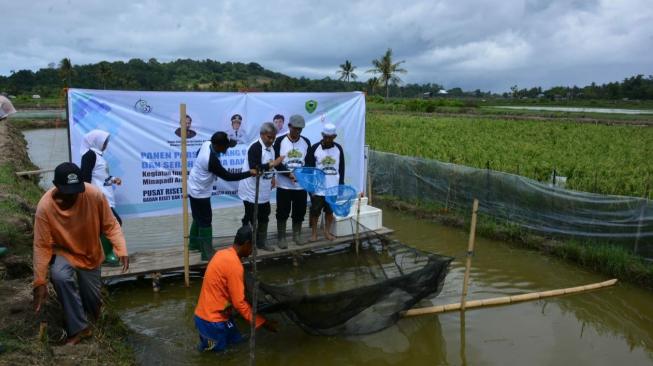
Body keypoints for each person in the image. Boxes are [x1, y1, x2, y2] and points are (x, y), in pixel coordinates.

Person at [32, 162, 129, 345]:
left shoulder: (93, 195)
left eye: (76, 191)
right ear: (57, 187)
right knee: (60, 277)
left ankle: (93, 321)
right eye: (68, 192)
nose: (73, 196)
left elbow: (110, 224)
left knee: (92, 300)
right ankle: (79, 329)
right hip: (64, 251)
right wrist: (40, 281)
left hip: (89, 251)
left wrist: (121, 248)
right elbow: (41, 246)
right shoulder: (45, 207)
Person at [194, 225, 277, 352]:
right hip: (211, 322)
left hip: (219, 315)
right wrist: (263, 323)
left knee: (237, 342)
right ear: (246, 244)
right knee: (219, 357)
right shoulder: (234, 265)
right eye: (252, 247)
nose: (252, 251)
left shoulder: (221, 253)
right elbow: (239, 303)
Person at [188, 131, 257, 261]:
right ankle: (206, 253)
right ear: (218, 146)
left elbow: (198, 154)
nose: (227, 149)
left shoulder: (207, 143)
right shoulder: (210, 160)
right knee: (206, 221)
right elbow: (228, 177)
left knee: (198, 217)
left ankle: (193, 244)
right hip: (200, 192)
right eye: (226, 146)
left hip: (194, 185)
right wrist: (249, 173)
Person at [238, 122, 284, 251]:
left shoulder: (272, 148)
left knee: (264, 215)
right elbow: (255, 168)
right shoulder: (255, 148)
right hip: (250, 190)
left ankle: (261, 242)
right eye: (269, 137)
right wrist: (274, 163)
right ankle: (247, 243)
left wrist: (273, 176)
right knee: (250, 216)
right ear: (262, 135)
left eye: (273, 137)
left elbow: (271, 165)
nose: (272, 140)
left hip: (263, 189)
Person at [79, 130, 122, 266]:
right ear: (96, 141)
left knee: (107, 225)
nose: (106, 144)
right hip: (97, 197)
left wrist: (113, 179)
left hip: (105, 196)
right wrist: (90, 197)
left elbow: (101, 177)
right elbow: (85, 178)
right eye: (104, 142)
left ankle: (104, 254)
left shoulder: (98, 156)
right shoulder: (89, 156)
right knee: (114, 223)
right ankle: (107, 254)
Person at [273, 115, 311, 248]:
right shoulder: (279, 141)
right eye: (295, 129)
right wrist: (288, 174)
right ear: (289, 126)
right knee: (282, 212)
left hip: (301, 186)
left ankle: (297, 235)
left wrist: (302, 175)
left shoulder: (306, 142)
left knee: (300, 211)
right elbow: (276, 163)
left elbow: (309, 163)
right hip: (284, 185)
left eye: (300, 129)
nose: (298, 132)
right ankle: (282, 237)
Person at [306, 123, 345, 241]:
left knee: (329, 211)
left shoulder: (338, 148)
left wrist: (341, 185)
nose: (328, 139)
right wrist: (310, 188)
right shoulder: (314, 148)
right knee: (315, 212)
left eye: (331, 137)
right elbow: (308, 169)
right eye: (326, 136)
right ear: (322, 135)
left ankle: (327, 232)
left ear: (335, 136)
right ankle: (314, 234)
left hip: (333, 187)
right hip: (318, 188)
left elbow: (342, 168)